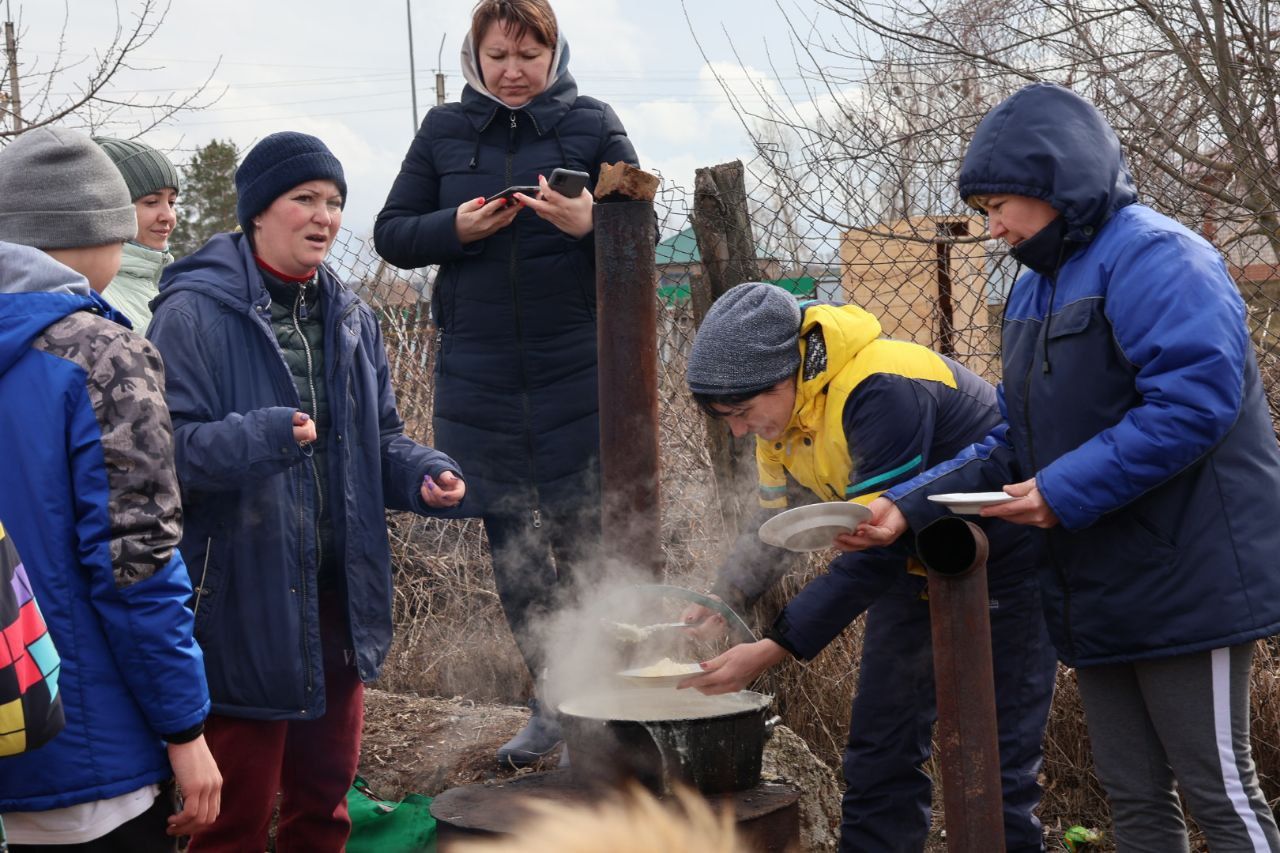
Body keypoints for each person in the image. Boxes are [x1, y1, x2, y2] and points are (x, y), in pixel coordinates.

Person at [849, 83, 1280, 852]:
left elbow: (1195, 403)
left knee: (1220, 791)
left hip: (1190, 576)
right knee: (1137, 798)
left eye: (1000, 205)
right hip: (1098, 580)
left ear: (1055, 184)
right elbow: (1015, 444)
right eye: (984, 209)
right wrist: (907, 507)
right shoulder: (1032, 289)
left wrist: (1060, 489)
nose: (993, 227)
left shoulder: (1157, 255)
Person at [147, 131, 466, 852]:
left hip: (336, 602)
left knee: (324, 807)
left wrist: (420, 471)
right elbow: (165, 455)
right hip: (241, 607)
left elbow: (377, 437)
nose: (324, 216)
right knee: (230, 820)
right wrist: (261, 436)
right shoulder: (192, 314)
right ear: (259, 209)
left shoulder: (354, 318)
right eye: (305, 199)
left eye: (335, 202)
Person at [678, 282, 1058, 852]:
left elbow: (873, 546)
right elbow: (776, 526)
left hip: (1002, 565)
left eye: (741, 412)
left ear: (785, 375)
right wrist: (720, 597)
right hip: (913, 566)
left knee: (994, 761)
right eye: (724, 416)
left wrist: (775, 646)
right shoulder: (782, 419)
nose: (737, 429)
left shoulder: (878, 388)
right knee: (881, 748)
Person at [373, 0, 639, 767]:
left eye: (529, 55)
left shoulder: (592, 124)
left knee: (587, 544)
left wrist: (593, 226)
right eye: (498, 56)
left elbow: (641, 230)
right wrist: (450, 229)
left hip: (577, 370)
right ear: (475, 57)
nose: (513, 71)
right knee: (511, 546)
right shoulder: (444, 132)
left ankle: (608, 705)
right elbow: (393, 231)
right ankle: (553, 698)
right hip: (480, 373)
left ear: (555, 54)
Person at [0, 127, 221, 850]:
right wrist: (184, 729)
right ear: (89, 233)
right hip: (80, 753)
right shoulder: (103, 355)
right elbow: (137, 564)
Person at [93, 137, 182, 332]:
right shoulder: (97, 299)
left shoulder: (172, 287)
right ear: (110, 208)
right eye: (151, 202)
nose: (168, 216)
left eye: (172, 202)